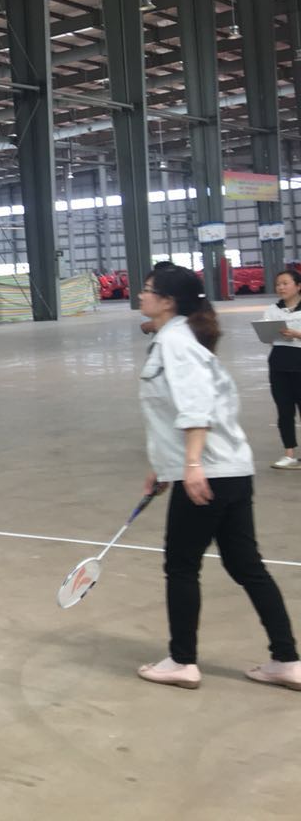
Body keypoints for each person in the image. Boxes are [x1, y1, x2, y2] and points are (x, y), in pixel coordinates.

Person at [133, 262, 301, 689]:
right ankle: (286, 660)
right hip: (230, 470)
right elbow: (174, 415)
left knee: (181, 565)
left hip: (208, 473)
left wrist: (191, 467)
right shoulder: (180, 339)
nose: (140, 294)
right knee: (247, 565)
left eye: (148, 289)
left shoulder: (176, 343)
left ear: (167, 301)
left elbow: (196, 409)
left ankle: (182, 661)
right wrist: (164, 467)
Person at [261, 268, 301, 470]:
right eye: (278, 284)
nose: (281, 287)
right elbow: (267, 338)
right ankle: (289, 454)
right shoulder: (272, 310)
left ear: (298, 286)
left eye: (285, 283)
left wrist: (297, 334)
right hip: (279, 363)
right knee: (284, 411)